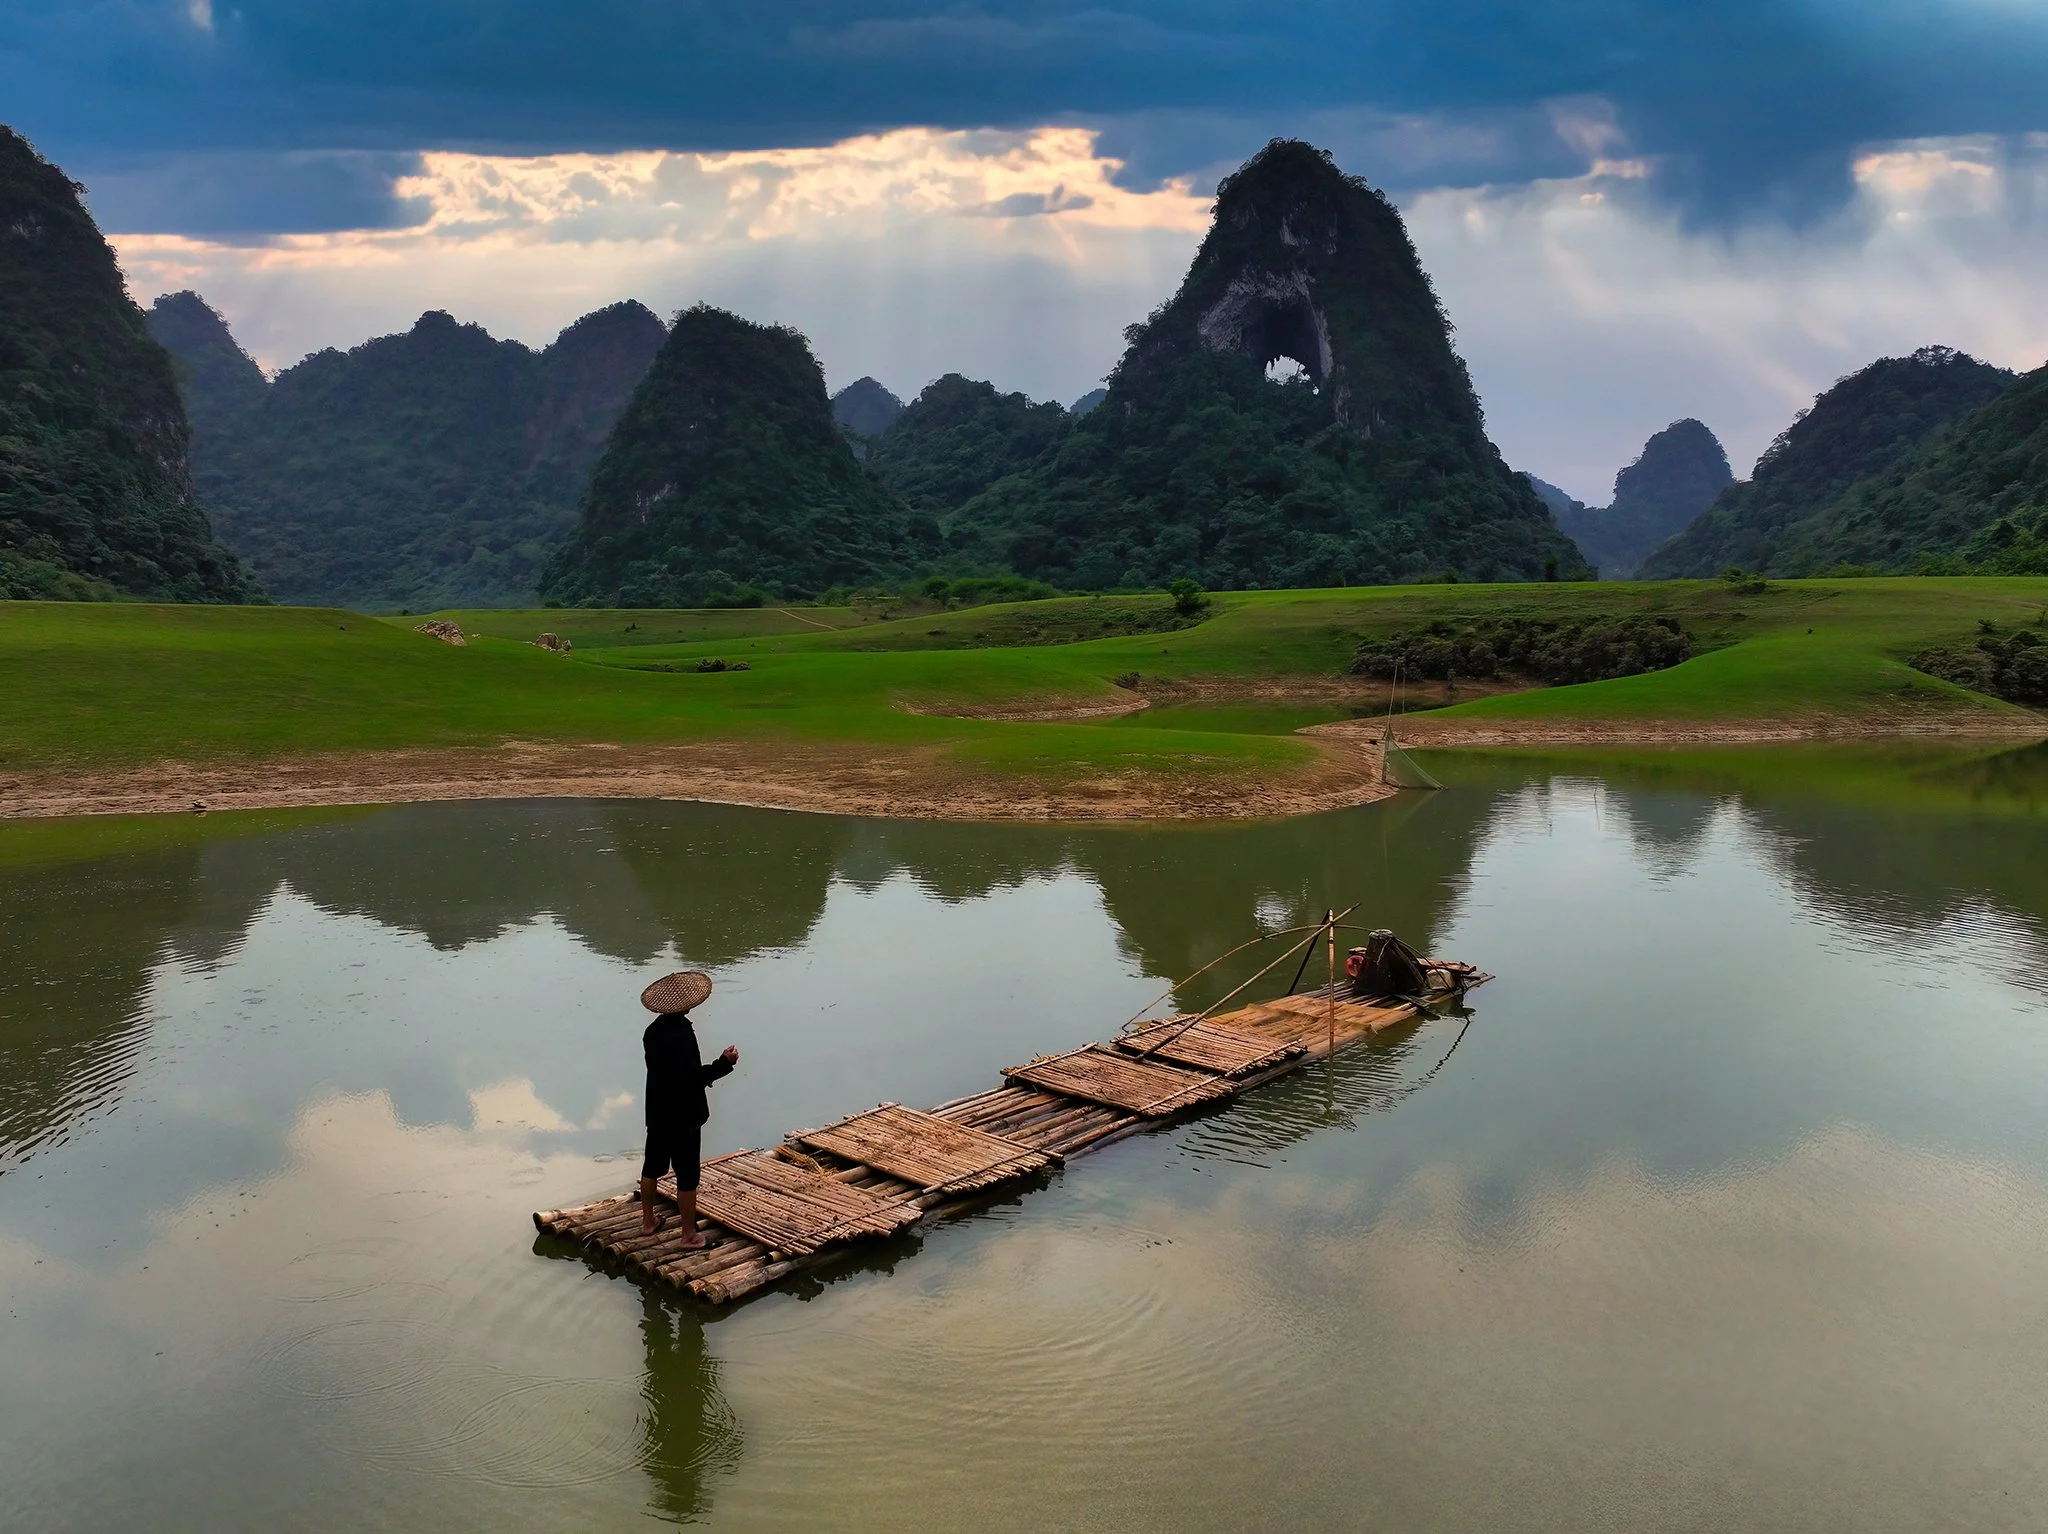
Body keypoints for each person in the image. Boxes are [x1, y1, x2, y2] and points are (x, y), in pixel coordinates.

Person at [638, 970, 740, 1243]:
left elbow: (668, 1073)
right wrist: (724, 1063)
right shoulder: (682, 1033)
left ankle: (648, 1221)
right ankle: (688, 1235)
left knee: (652, 1167)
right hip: (682, 1116)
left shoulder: (652, 1032)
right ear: (687, 1005)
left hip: (658, 1111)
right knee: (687, 1175)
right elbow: (689, 1078)